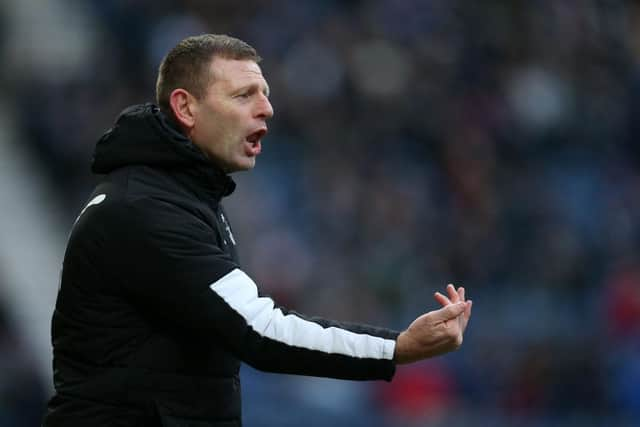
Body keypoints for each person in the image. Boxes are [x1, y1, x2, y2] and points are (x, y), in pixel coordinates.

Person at [43, 34, 472, 427]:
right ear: (186, 107)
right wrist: (397, 348)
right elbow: (260, 330)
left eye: (265, 94)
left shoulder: (178, 196)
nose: (266, 108)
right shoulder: (147, 209)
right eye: (244, 94)